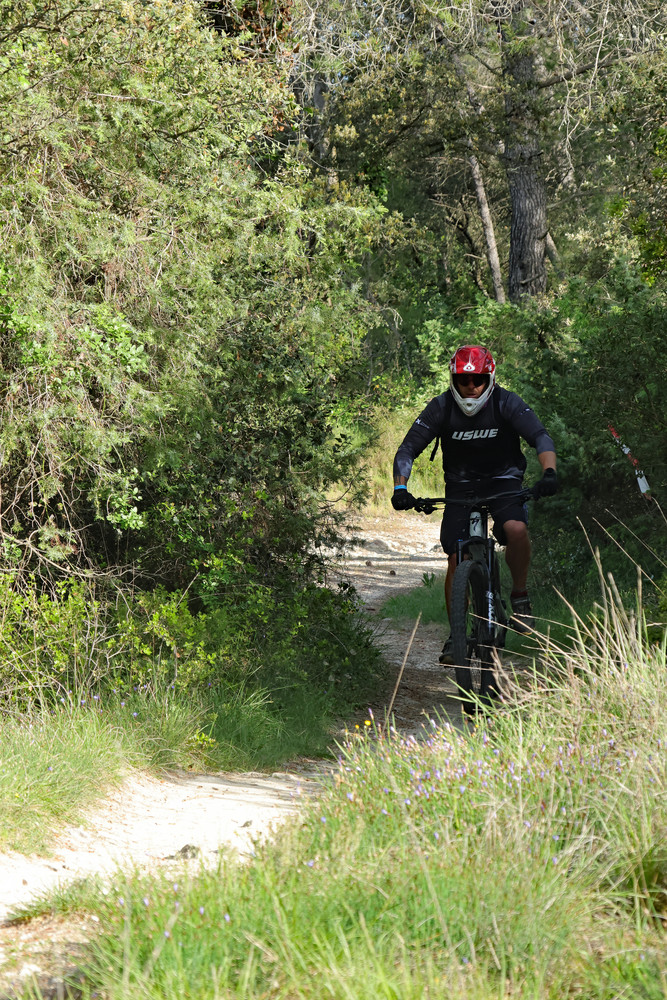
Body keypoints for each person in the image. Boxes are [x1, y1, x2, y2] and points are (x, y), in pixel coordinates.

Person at [391, 345, 557, 664]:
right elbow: (407, 449)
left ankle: (520, 597)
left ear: (489, 378)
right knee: (457, 555)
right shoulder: (441, 407)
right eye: (463, 380)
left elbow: (540, 437)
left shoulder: (506, 402)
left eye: (477, 380)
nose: (470, 387)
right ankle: (456, 634)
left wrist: (549, 473)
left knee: (516, 530)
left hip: (503, 481)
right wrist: (401, 487)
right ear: (453, 379)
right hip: (461, 486)